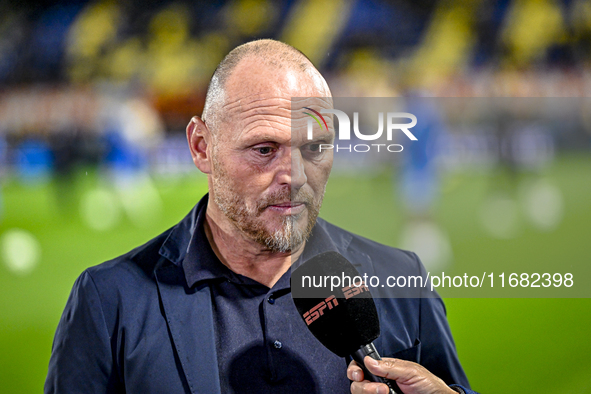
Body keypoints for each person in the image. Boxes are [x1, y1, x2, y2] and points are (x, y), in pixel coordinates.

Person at [45, 39, 475, 394]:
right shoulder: (109, 300)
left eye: (314, 148)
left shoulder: (402, 280)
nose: (294, 176)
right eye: (264, 150)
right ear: (201, 147)